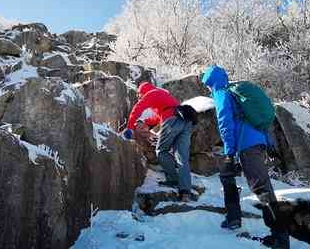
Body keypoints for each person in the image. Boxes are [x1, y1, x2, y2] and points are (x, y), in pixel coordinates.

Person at [201, 65, 289, 249]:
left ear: (211, 83)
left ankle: (280, 237)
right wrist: (269, 143)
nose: (208, 88)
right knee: (227, 176)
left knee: (261, 188)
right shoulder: (235, 91)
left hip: (245, 145)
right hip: (256, 142)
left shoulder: (222, 94)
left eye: (208, 85)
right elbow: (257, 123)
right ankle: (234, 218)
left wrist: (229, 152)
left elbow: (226, 124)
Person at [123, 82, 193, 202]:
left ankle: (173, 179)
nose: (139, 97)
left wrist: (129, 127)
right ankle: (185, 191)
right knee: (182, 157)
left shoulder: (151, 93)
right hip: (185, 122)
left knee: (161, 151)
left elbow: (137, 108)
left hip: (172, 121)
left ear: (143, 91)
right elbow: (158, 117)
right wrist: (146, 123)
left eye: (139, 95)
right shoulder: (162, 95)